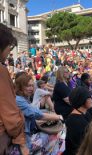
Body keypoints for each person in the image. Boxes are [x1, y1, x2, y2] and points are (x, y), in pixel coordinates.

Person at [14, 73, 63, 151]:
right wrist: (59, 117)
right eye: (28, 86)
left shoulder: (23, 98)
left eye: (32, 85)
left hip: (28, 134)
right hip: (26, 141)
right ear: (20, 87)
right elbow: (37, 114)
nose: (31, 88)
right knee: (55, 138)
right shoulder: (19, 100)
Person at [0, 23, 28, 155]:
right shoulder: (1, 70)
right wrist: (21, 142)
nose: (9, 51)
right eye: (9, 47)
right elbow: (10, 113)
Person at [64, 87, 92, 155]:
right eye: (89, 97)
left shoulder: (86, 113)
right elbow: (79, 147)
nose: (91, 99)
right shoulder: (76, 122)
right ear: (82, 100)